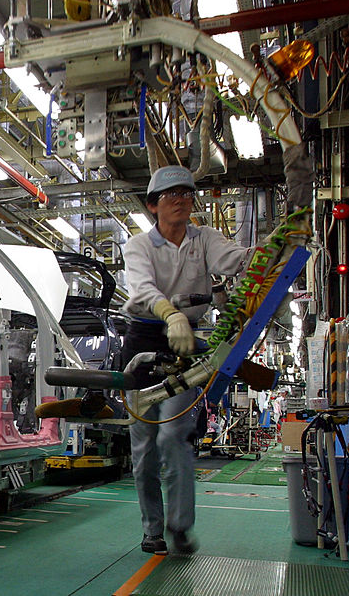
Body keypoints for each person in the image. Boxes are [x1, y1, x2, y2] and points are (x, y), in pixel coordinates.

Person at [120, 165, 251, 555]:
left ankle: (179, 525)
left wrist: (277, 247)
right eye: (170, 194)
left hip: (185, 344)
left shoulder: (205, 239)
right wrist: (171, 314)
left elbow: (238, 261)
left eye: (186, 193)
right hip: (143, 341)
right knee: (144, 448)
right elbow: (142, 289)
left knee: (174, 436)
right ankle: (152, 529)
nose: (180, 200)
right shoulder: (138, 245)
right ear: (152, 205)